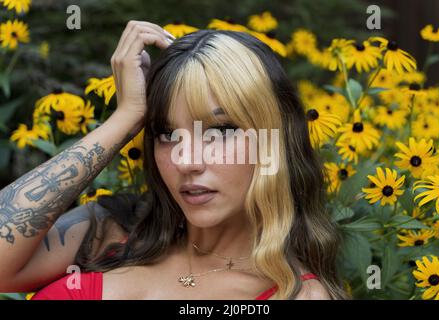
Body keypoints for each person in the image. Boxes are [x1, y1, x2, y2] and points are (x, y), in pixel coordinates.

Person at [0, 20, 347, 300]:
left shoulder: (295, 294)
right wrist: (127, 117)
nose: (186, 160)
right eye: (167, 133)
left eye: (219, 131)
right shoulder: (111, 228)